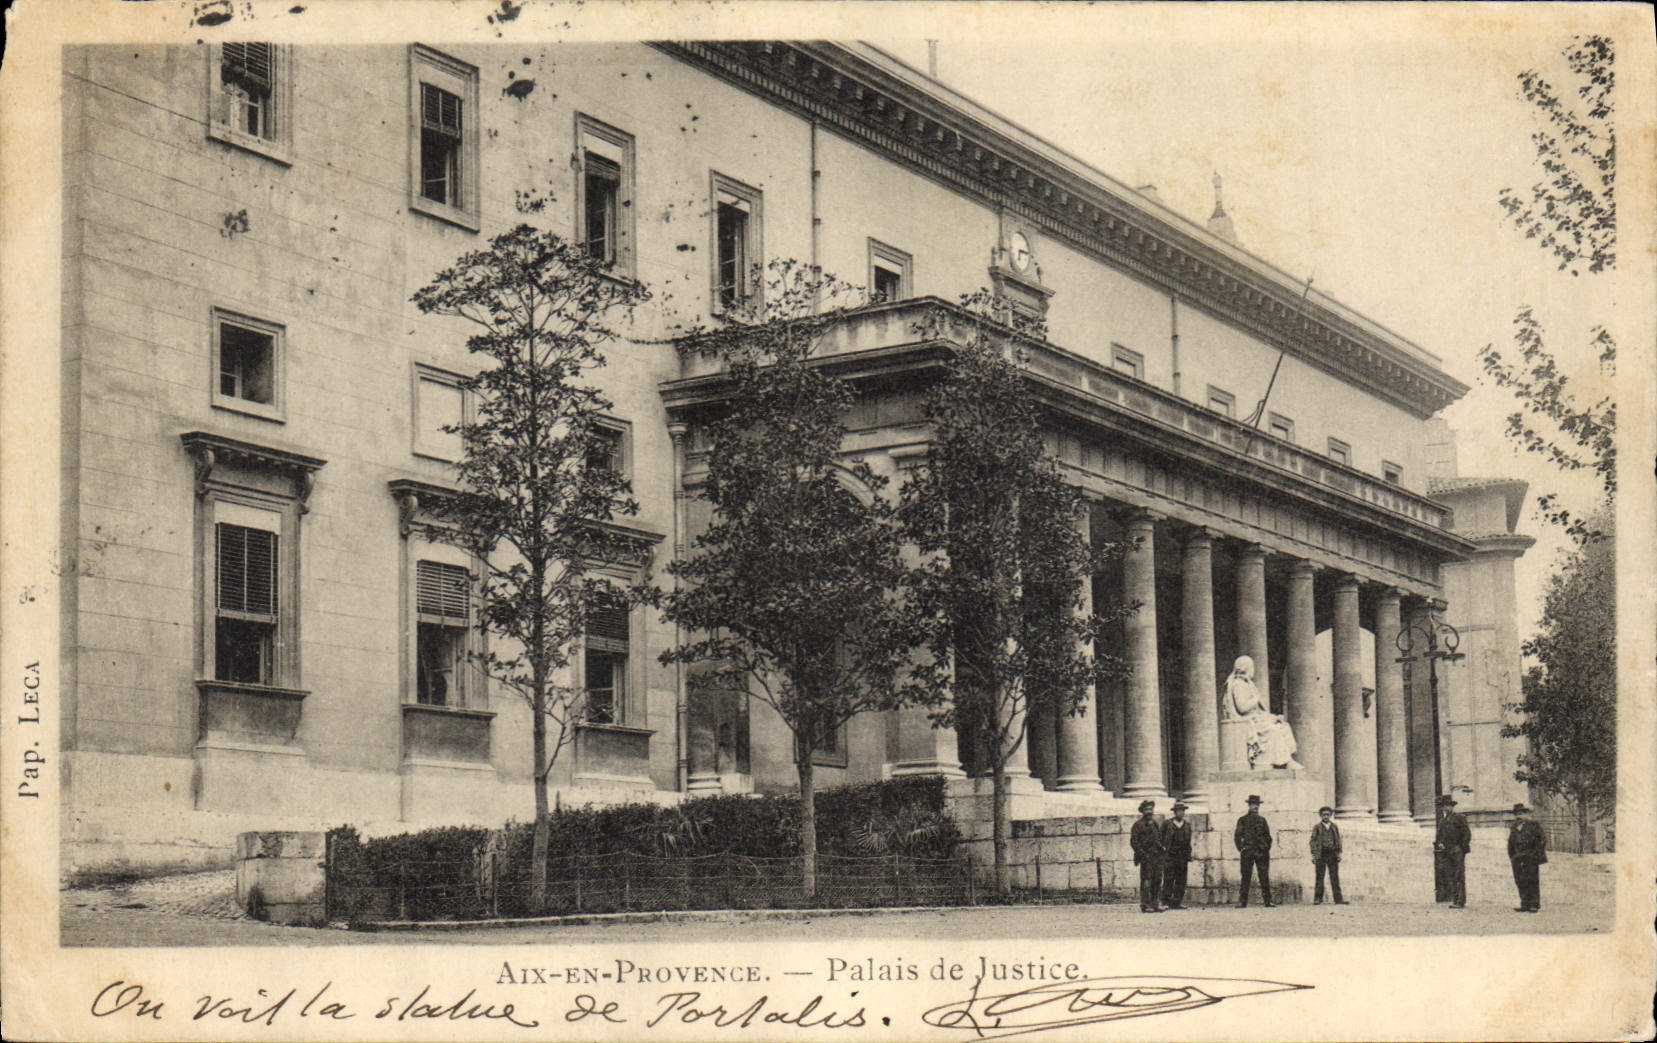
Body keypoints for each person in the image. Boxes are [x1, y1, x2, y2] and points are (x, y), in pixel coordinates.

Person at [1225, 656, 1302, 770]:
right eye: (1252, 667)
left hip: (1257, 718)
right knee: (1273, 730)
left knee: (1283, 726)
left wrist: (1273, 717)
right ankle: (1285, 762)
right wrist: (1255, 698)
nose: (1253, 670)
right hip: (1249, 721)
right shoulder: (1238, 684)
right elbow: (1242, 708)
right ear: (1246, 668)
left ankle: (1285, 760)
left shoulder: (1249, 684)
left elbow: (1260, 710)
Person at [1234, 794, 1274, 907]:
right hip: (1248, 852)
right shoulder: (1242, 820)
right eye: (1253, 804)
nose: (1255, 807)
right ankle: (1242, 901)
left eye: (1257, 804)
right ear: (1249, 805)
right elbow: (1237, 836)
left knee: (1264, 876)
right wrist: (1242, 848)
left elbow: (1268, 836)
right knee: (1246, 876)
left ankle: (1268, 901)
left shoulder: (1262, 820)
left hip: (1261, 852)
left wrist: (1266, 848)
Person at [1507, 802, 1547, 912]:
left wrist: (1535, 855)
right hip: (1517, 858)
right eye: (1516, 814)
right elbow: (1511, 843)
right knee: (1520, 880)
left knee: (1532, 880)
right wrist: (1512, 856)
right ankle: (1524, 903)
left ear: (1525, 814)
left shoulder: (1533, 825)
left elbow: (1541, 840)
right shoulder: (1514, 826)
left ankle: (1534, 904)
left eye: (1520, 813)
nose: (1518, 816)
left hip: (1530, 857)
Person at [1434, 793, 1471, 909]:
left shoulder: (1460, 818)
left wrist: (1461, 848)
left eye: (1448, 806)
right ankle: (1455, 899)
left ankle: (1460, 901)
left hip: (1457, 849)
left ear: (1452, 807)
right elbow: (1439, 836)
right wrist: (1440, 843)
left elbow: (1467, 834)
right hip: (1447, 851)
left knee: (1458, 875)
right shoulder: (1442, 821)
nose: (1446, 808)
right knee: (1451, 875)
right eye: (1444, 806)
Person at [1130, 799, 1165, 913]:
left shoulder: (1154, 823)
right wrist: (1142, 854)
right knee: (1146, 881)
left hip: (1157, 856)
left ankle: (1156, 902)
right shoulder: (1138, 825)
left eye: (1151, 809)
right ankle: (1145, 904)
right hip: (1146, 857)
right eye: (1146, 809)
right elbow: (1134, 842)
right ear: (1142, 811)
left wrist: (1161, 848)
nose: (1149, 812)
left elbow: (1158, 838)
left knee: (1157, 880)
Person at [1309, 805, 1347, 904]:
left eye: (1327, 815)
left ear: (1330, 815)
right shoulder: (1317, 827)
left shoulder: (1334, 827)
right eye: (1323, 815)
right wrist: (1314, 855)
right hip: (1321, 854)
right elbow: (1313, 841)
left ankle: (1338, 899)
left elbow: (1338, 840)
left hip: (1332, 854)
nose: (1326, 817)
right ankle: (1318, 899)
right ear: (1320, 816)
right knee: (1319, 877)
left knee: (1334, 877)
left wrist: (1338, 853)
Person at [1160, 801, 1194, 909]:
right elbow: (1161, 838)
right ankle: (1166, 901)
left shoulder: (1187, 825)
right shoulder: (1167, 824)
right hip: (1170, 855)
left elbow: (1188, 841)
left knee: (1181, 879)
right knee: (1169, 878)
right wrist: (1164, 851)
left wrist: (1188, 854)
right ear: (1175, 812)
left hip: (1182, 856)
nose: (1181, 813)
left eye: (1182, 811)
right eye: (1179, 811)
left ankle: (1177, 901)